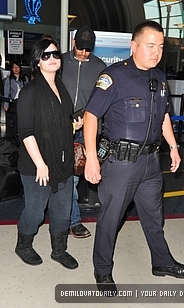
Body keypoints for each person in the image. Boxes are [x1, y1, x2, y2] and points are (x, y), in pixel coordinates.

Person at [83, 20, 184, 291]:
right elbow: (90, 116)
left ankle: (162, 262)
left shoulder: (159, 77)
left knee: (154, 216)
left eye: (160, 46)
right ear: (133, 46)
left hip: (150, 163)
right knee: (111, 219)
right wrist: (91, 158)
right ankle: (102, 270)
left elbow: (163, 116)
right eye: (150, 45)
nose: (156, 52)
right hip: (121, 163)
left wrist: (173, 146)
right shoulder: (114, 77)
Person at [15, 38, 82, 270]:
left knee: (63, 211)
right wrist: (41, 164)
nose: (52, 58)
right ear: (37, 61)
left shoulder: (60, 87)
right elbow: (25, 132)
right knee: (35, 212)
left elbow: (60, 121)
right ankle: (23, 245)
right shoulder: (29, 92)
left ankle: (59, 250)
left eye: (55, 54)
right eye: (46, 55)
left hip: (62, 161)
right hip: (37, 165)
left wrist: (75, 123)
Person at [61, 26, 107, 239]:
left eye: (88, 50)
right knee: (61, 176)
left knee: (74, 177)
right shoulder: (59, 62)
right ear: (73, 43)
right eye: (80, 48)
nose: (83, 53)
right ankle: (64, 216)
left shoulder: (100, 67)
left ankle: (73, 221)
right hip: (61, 128)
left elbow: (103, 100)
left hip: (85, 131)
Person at [3, 60, 29, 137]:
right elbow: (6, 92)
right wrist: (6, 104)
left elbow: (28, 91)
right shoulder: (9, 80)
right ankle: (14, 135)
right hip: (13, 102)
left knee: (22, 119)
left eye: (18, 67)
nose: (16, 69)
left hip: (23, 102)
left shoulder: (25, 79)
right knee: (14, 120)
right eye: (14, 67)